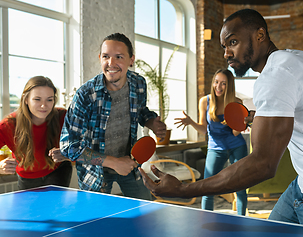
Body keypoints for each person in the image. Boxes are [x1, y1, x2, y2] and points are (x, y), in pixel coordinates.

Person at [139, 9, 303, 236]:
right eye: (224, 47)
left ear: (260, 35)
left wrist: (184, 189)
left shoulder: (275, 75)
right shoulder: (299, 59)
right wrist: (264, 117)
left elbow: (262, 164)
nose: (226, 53)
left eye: (233, 42)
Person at [60, 33, 166, 200]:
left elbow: (140, 111)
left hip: (129, 163)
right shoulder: (85, 94)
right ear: (100, 58)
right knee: (96, 223)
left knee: (146, 215)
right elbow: (69, 146)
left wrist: (151, 121)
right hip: (95, 173)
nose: (111, 63)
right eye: (106, 56)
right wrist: (114, 162)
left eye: (119, 57)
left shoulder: (139, 84)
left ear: (131, 60)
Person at [174, 69, 248, 215]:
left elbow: (235, 132)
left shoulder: (237, 103)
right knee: (207, 188)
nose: (218, 87)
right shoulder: (205, 101)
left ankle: (242, 220)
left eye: (223, 84)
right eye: (216, 82)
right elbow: (204, 130)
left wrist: (238, 124)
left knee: (240, 187)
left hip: (237, 146)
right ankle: (206, 220)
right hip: (215, 148)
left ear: (230, 86)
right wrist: (191, 122)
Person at [0, 76, 72, 190]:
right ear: (26, 99)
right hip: (26, 177)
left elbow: (86, 144)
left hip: (57, 170)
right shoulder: (8, 125)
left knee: (52, 206)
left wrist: (68, 154)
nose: (44, 105)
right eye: (37, 99)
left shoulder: (63, 116)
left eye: (49, 99)